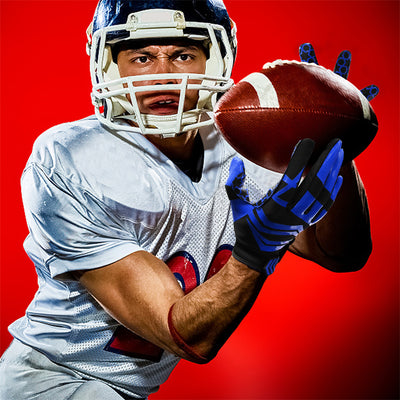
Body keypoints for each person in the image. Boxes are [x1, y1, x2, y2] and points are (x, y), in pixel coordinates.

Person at [0, 1, 374, 399]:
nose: (162, 76)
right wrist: (254, 252)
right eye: (141, 57)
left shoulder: (248, 144)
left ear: (217, 58)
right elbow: (185, 335)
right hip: (52, 380)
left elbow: (341, 254)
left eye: (182, 55)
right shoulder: (71, 158)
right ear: (108, 65)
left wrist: (334, 139)